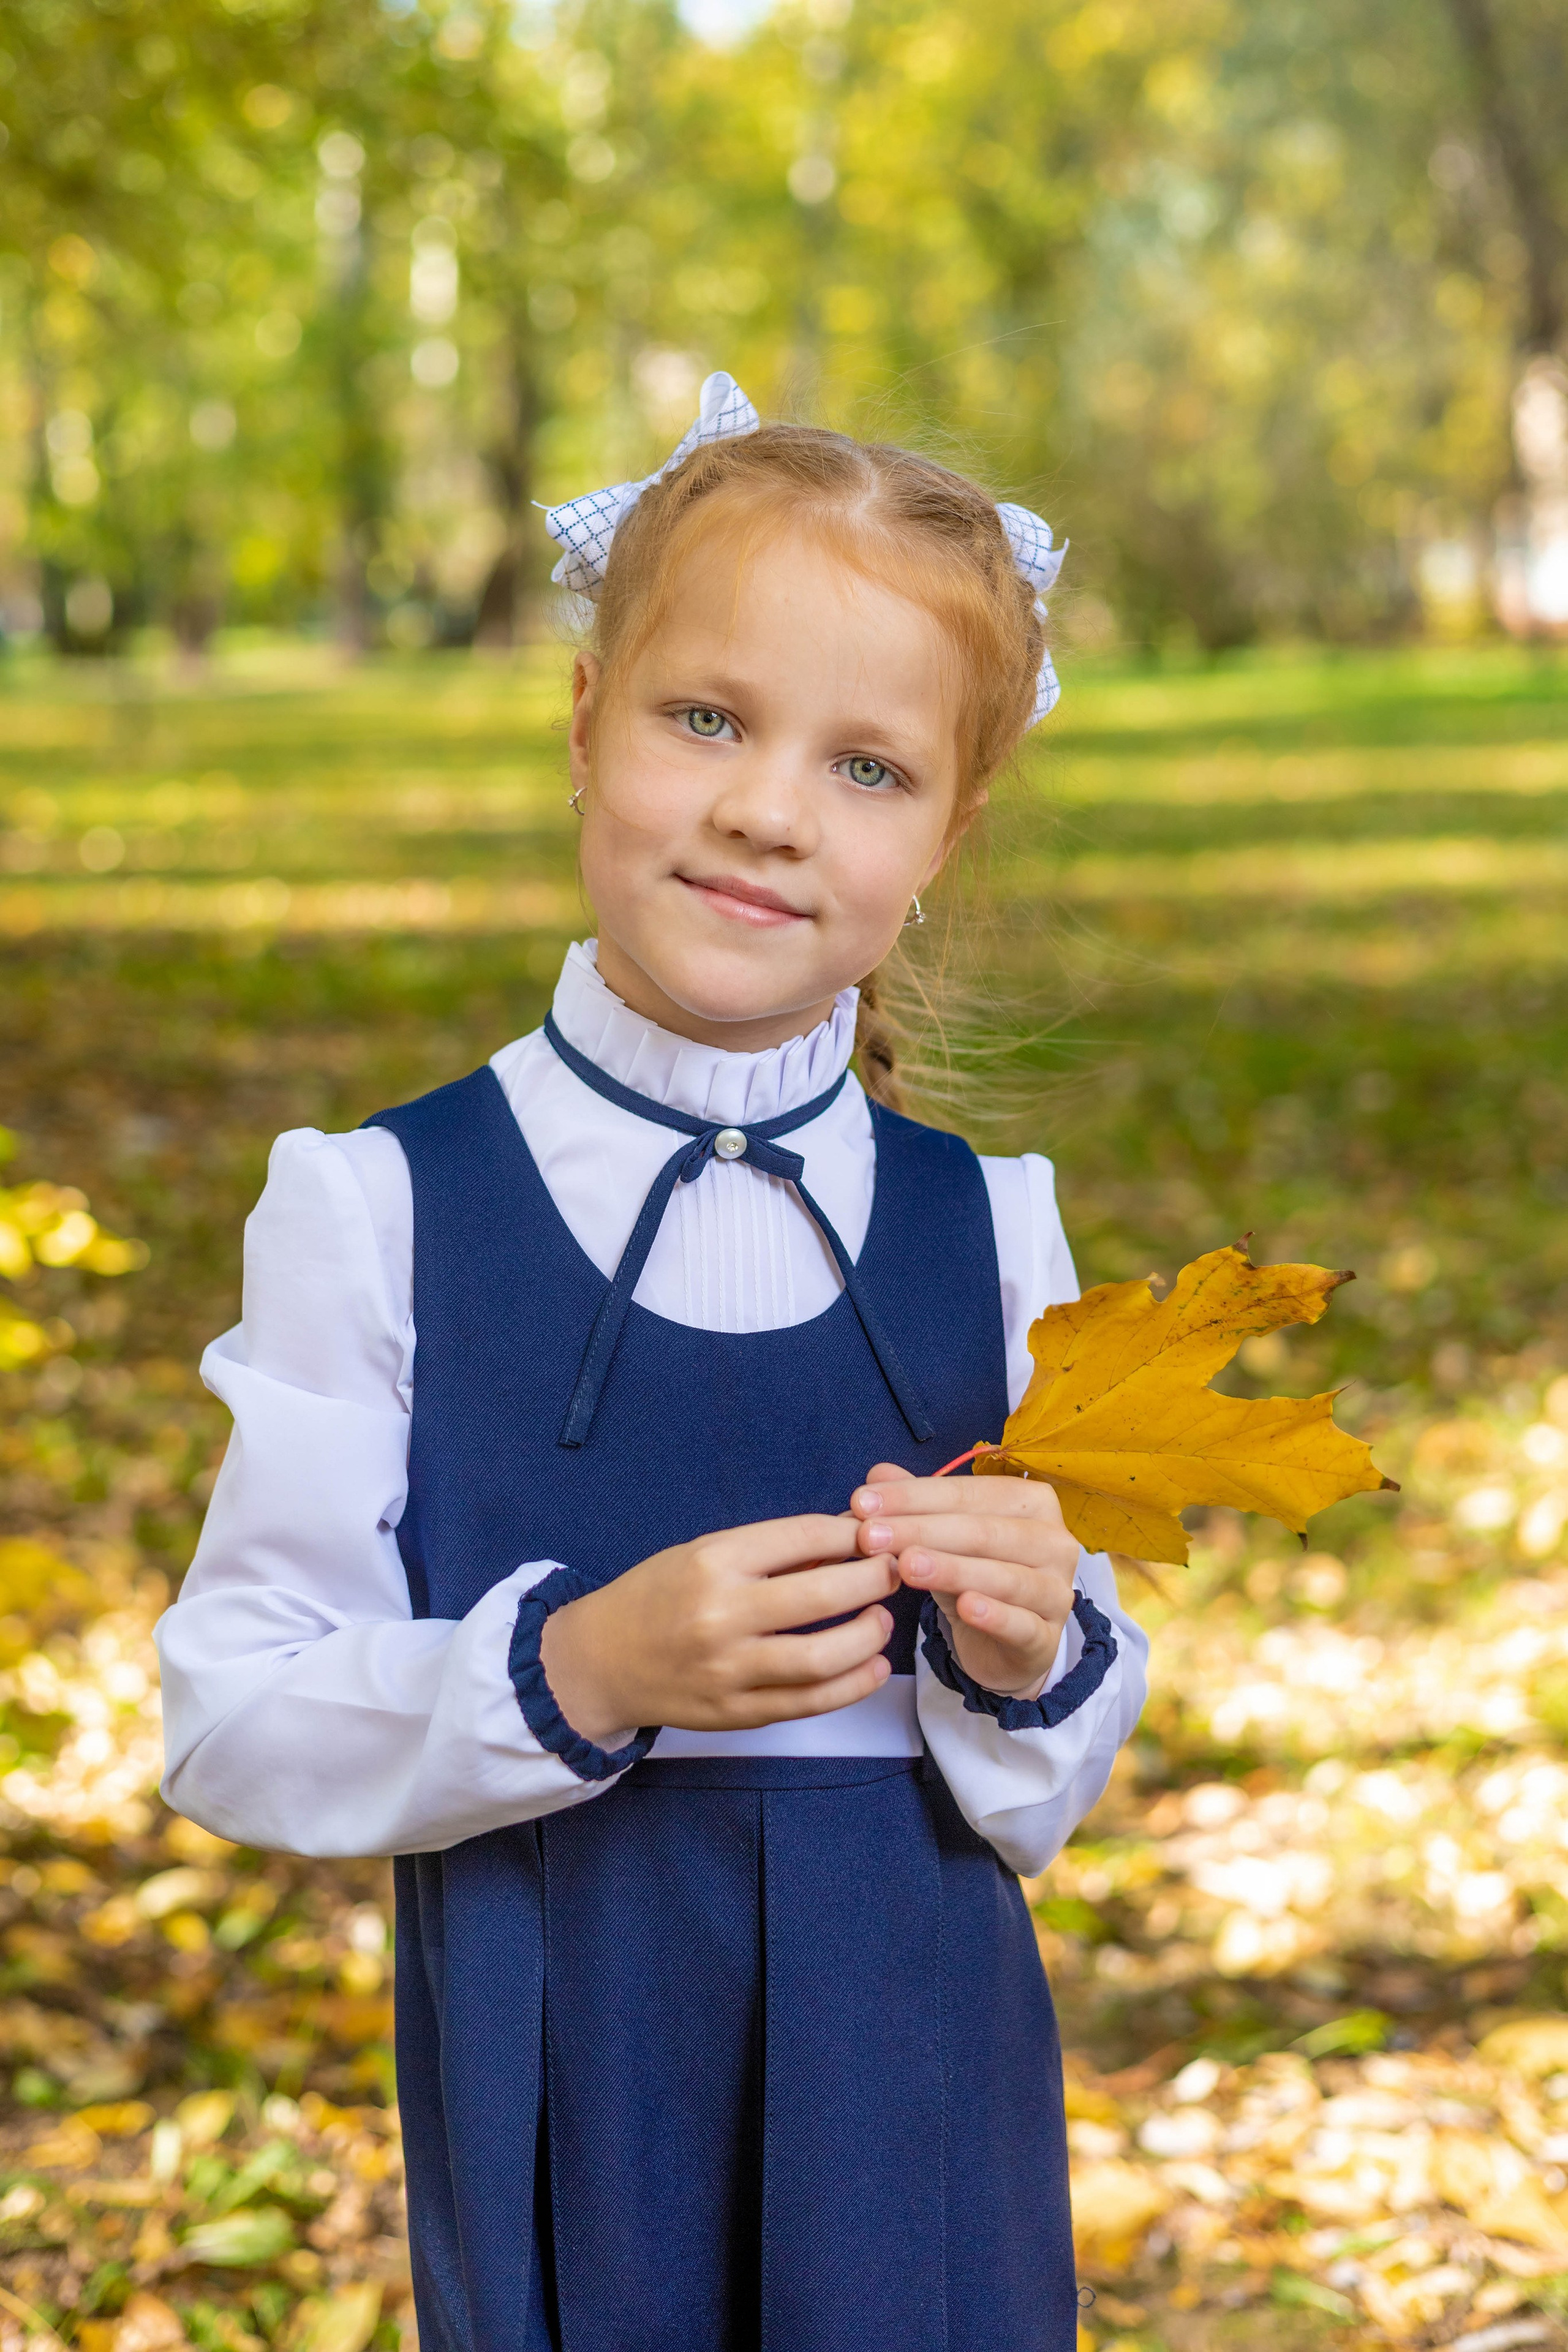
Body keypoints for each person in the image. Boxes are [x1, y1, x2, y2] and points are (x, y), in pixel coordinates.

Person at [156, 374, 1149, 2352]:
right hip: (567, 2033)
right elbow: (231, 1716)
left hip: (914, 2059)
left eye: (869, 768)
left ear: (948, 827)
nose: (771, 808)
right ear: (588, 715)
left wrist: (1034, 1653)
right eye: (710, 717)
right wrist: (573, 1670)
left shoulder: (992, 1225)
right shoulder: (384, 1203)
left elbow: (1041, 1798)